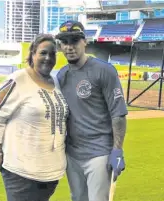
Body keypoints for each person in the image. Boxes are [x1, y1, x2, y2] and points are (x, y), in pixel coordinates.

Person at [0, 34, 69, 201]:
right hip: (21, 170)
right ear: (33, 54)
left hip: (50, 171)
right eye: (43, 53)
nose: (48, 58)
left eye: (52, 54)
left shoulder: (56, 83)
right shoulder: (17, 80)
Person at [55, 21, 128, 201]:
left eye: (74, 41)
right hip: (72, 154)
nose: (69, 47)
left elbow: (118, 113)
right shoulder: (61, 75)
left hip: (99, 153)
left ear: (84, 42)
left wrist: (117, 151)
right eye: (65, 42)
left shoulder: (104, 71)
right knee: (78, 198)